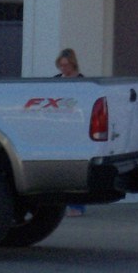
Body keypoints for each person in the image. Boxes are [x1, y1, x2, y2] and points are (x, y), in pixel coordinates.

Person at [54, 48, 86, 215]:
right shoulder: (56, 81)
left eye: (66, 65)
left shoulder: (81, 82)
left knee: (75, 170)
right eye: (61, 66)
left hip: (75, 129)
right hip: (60, 129)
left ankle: (77, 206)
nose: (63, 69)